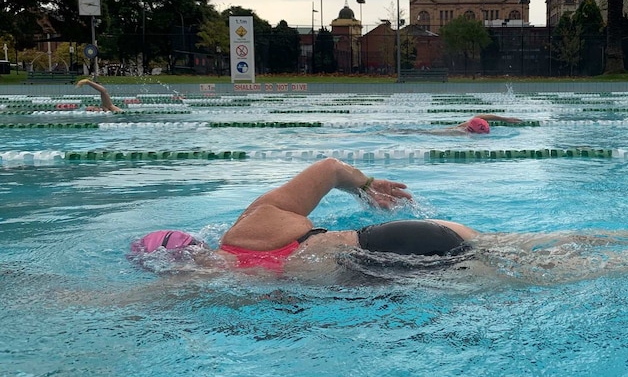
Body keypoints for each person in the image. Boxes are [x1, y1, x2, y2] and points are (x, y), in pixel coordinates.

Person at [130, 157, 478, 270]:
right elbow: (329, 168)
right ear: (197, 241)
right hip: (403, 233)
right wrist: (367, 185)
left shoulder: (206, 280)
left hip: (379, 265)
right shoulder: (251, 220)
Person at [448, 114, 523, 134]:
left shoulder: (468, 125)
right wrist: (504, 119)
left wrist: (505, 119)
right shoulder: (460, 132)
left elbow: (479, 117)